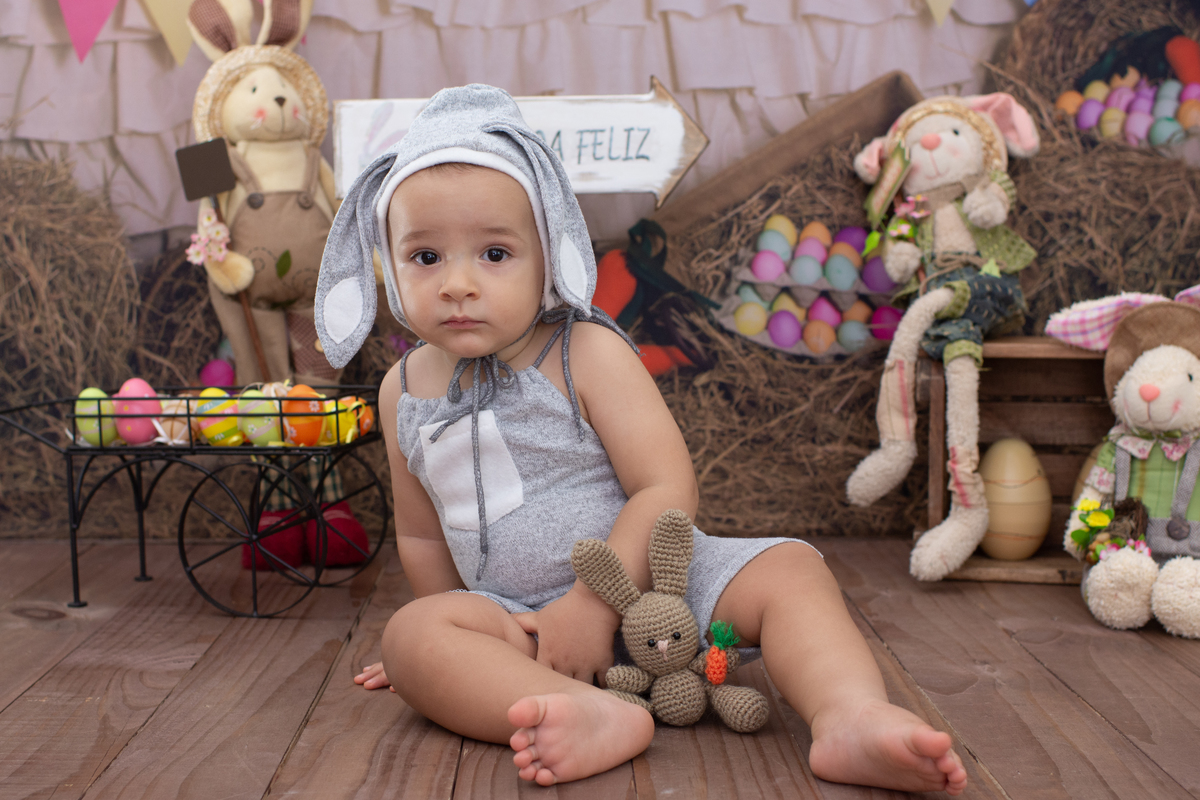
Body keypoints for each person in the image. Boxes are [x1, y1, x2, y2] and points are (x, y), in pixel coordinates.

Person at [314, 84, 967, 795]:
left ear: (549, 254)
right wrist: (457, 645)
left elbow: (666, 487)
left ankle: (849, 715)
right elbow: (422, 538)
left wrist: (593, 604)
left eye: (495, 253)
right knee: (411, 637)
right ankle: (585, 709)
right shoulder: (403, 390)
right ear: (386, 264)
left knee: (792, 571)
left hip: (664, 584)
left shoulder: (584, 352)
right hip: (525, 626)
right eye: (425, 257)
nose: (458, 284)